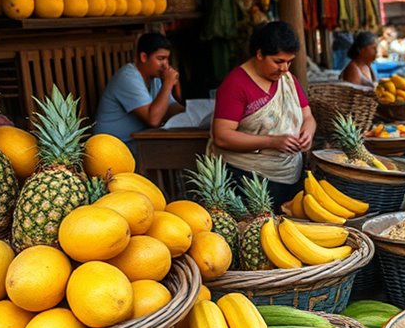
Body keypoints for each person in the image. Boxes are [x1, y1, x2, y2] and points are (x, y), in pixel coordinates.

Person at [210, 21, 316, 206]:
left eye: (289, 62)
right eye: (278, 61)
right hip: (247, 178)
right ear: (259, 54)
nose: (284, 68)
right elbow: (222, 136)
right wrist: (272, 142)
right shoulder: (235, 85)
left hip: (289, 174)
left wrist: (307, 132)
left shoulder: (288, 80)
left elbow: (308, 116)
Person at [94, 33, 185, 153]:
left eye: (167, 59)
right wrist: (167, 84)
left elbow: (170, 108)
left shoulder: (155, 78)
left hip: (136, 142)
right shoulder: (128, 77)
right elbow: (153, 120)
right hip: (113, 147)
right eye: (160, 59)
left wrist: (191, 114)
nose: (166, 65)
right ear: (143, 57)